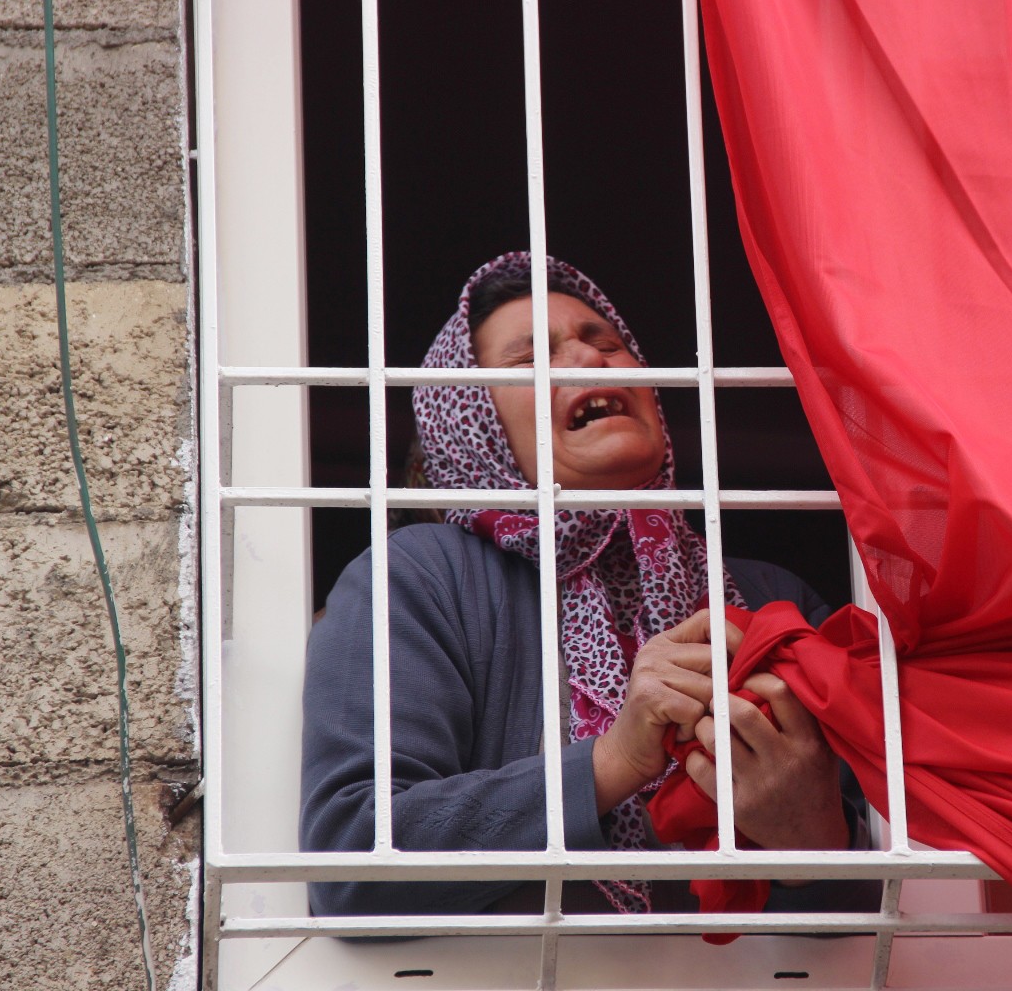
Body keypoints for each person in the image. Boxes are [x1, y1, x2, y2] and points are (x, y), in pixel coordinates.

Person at [301, 252, 871, 917]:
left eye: (608, 342)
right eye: (528, 360)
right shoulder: (421, 576)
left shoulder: (769, 595)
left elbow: (878, 909)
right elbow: (350, 867)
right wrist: (613, 762)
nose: (591, 360)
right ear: (472, 424)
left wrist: (816, 843)